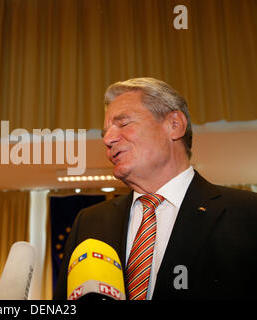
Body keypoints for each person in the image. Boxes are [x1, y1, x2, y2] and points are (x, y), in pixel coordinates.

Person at [54, 77, 257, 300]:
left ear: (175, 125)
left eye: (123, 124)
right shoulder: (89, 222)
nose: (108, 139)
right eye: (105, 133)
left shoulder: (247, 213)